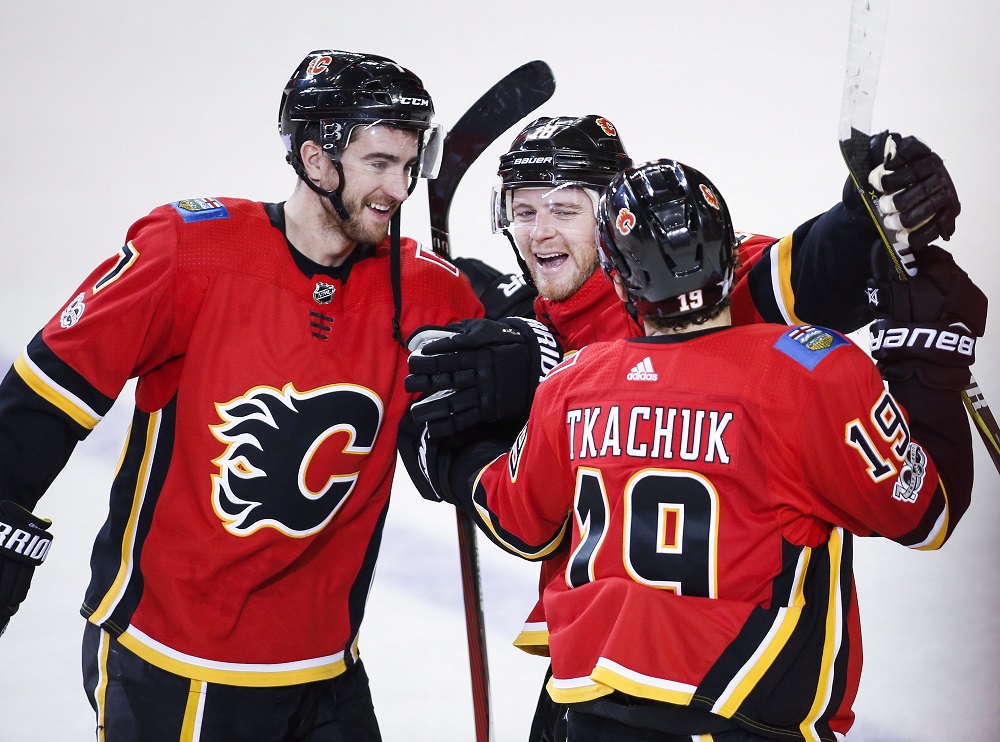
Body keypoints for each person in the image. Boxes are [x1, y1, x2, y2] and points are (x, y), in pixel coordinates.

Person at [402, 115, 962, 741]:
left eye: (564, 208)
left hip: (715, 687)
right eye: (523, 210)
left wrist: (866, 224)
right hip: (598, 671)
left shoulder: (695, 281)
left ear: (615, 210)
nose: (539, 232)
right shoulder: (533, 313)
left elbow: (801, 272)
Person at [0, 49, 483, 741]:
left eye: (409, 166)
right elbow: (46, 397)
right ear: (316, 161)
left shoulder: (430, 292)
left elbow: (530, 373)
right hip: (175, 664)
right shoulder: (188, 254)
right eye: (379, 164)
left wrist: (525, 341)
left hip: (326, 671)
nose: (399, 189)